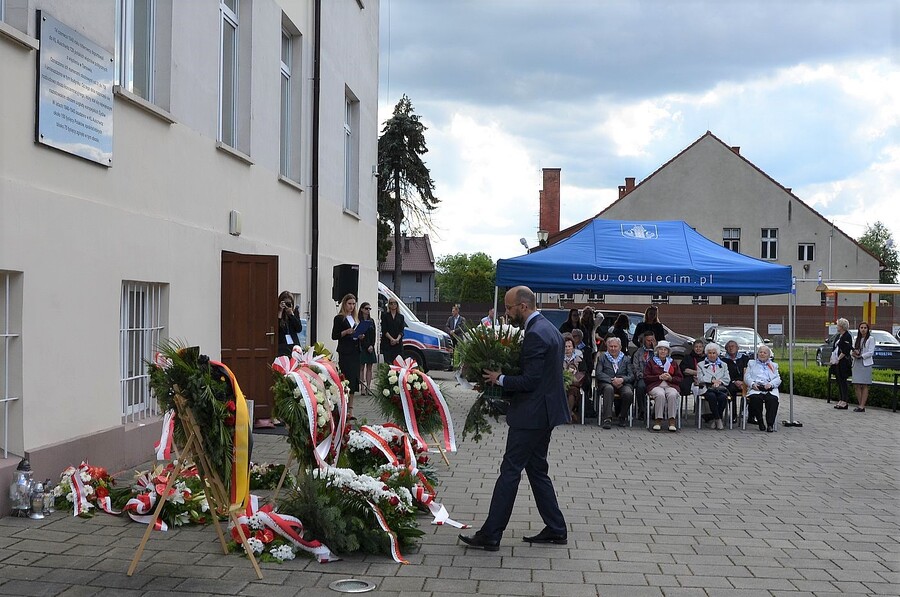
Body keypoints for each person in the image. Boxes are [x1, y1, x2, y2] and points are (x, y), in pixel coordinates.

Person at [459, 286, 568, 551]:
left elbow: (530, 380)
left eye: (508, 308)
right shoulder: (549, 328)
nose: (506, 313)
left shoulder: (535, 335)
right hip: (546, 412)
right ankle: (556, 528)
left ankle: (491, 534)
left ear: (523, 306)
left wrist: (500, 379)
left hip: (531, 415)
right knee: (537, 469)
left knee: (510, 471)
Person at [595, 336, 635, 428]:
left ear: (620, 347)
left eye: (615, 346)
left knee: (628, 393)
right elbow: (599, 373)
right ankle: (607, 419)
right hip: (607, 383)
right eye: (611, 346)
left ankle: (622, 416)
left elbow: (631, 376)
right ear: (607, 347)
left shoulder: (626, 359)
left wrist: (622, 379)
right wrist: (611, 380)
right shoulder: (602, 358)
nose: (613, 348)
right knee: (608, 389)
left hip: (623, 383)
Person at [332, 294, 360, 419]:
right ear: (344, 304)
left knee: (354, 381)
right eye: (349, 304)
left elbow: (356, 332)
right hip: (345, 352)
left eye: (354, 304)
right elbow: (334, 335)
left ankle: (351, 410)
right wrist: (346, 332)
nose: (352, 306)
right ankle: (343, 408)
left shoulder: (355, 318)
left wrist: (359, 335)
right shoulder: (339, 318)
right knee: (346, 379)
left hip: (355, 351)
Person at [645, 340, 682, 432]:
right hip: (655, 385)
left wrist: (671, 378)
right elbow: (646, 377)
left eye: (665, 350)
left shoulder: (673, 363)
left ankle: (672, 421)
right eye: (660, 349)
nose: (662, 351)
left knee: (673, 394)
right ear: (657, 351)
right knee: (660, 394)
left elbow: (680, 378)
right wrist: (659, 377)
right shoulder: (651, 362)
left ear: (668, 352)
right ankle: (658, 420)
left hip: (670, 386)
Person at [745, 345, 781, 432]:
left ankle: (770, 424)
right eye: (760, 352)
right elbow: (747, 376)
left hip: (769, 389)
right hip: (756, 388)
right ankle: (760, 422)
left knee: (773, 400)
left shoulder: (773, 365)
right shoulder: (751, 363)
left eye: (765, 353)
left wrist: (771, 384)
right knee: (755, 399)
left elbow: (778, 379)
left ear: (769, 355)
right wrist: (753, 384)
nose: (762, 354)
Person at [696, 343, 731, 430]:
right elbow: (700, 379)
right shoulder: (700, 364)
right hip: (707, 388)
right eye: (710, 353)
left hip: (720, 388)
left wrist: (719, 381)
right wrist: (712, 380)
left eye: (714, 353)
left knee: (723, 397)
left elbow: (727, 378)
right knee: (712, 396)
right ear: (707, 354)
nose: (712, 355)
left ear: (717, 354)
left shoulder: (724, 365)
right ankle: (718, 419)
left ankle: (716, 419)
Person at [722, 340, 750, 423]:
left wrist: (743, 382)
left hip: (745, 382)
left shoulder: (745, 359)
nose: (731, 348)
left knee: (752, 392)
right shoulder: (724, 361)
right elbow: (725, 374)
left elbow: (749, 372)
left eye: (733, 346)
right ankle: (733, 415)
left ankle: (749, 415)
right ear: (726, 349)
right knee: (731, 390)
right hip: (732, 382)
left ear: (737, 348)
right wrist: (734, 381)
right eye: (729, 347)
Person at [631, 332, 657, 420]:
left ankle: (657, 411)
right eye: (648, 341)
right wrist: (642, 375)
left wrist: (656, 350)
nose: (650, 342)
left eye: (652, 340)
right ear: (644, 341)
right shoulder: (638, 352)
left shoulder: (659, 352)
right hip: (643, 377)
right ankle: (642, 410)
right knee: (640, 386)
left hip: (656, 378)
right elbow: (635, 367)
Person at [851, 321, 875, 412]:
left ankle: (862, 405)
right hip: (856, 363)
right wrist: (853, 354)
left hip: (865, 363)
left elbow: (870, 352)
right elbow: (852, 350)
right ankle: (860, 404)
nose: (863, 329)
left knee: (864, 384)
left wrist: (861, 356)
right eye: (861, 328)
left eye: (865, 328)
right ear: (859, 329)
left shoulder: (870, 339)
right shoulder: (856, 338)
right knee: (856, 384)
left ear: (868, 329)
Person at [562, 333, 585, 423]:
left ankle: (567, 414)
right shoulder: (558, 358)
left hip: (574, 384)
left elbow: (583, 372)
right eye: (565, 346)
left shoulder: (579, 359)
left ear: (573, 347)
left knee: (572, 391)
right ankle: (570, 414)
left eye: (569, 346)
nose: (567, 349)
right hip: (561, 384)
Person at [831, 318, 853, 409]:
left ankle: (845, 400)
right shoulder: (838, 336)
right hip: (836, 361)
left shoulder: (847, 336)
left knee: (843, 381)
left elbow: (846, 349)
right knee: (839, 380)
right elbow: (835, 348)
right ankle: (841, 399)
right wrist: (833, 358)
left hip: (843, 361)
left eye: (838, 325)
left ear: (842, 326)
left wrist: (839, 359)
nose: (837, 327)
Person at [357, 301, 377, 394]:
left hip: (370, 346)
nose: (368, 310)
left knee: (370, 367)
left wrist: (372, 345)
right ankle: (362, 388)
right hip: (362, 346)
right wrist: (366, 345)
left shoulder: (371, 321)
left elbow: (374, 335)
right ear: (361, 309)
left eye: (369, 309)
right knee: (361, 367)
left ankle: (368, 387)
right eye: (366, 308)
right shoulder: (358, 320)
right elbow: (358, 335)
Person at [276, 290, 303, 357]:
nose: (287, 306)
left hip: (293, 345)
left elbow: (299, 328)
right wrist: (280, 311)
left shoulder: (294, 312)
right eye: (285, 303)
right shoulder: (278, 312)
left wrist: (291, 315)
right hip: (282, 346)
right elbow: (276, 328)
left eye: (289, 303)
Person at [380, 297, 406, 365]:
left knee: (398, 363)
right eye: (391, 303)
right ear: (389, 305)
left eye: (395, 303)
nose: (393, 305)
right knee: (388, 363)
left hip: (398, 344)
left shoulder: (401, 317)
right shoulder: (385, 316)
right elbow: (384, 329)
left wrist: (397, 339)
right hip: (387, 343)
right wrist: (391, 339)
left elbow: (402, 330)